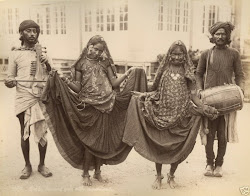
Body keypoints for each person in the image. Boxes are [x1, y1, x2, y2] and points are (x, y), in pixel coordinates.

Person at [41, 35, 148, 186]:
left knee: (102, 141)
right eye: (96, 49)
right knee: (89, 142)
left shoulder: (106, 63)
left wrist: (127, 74)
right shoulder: (81, 64)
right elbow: (78, 88)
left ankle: (98, 172)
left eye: (101, 50)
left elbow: (114, 82)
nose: (98, 53)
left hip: (107, 106)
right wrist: (66, 81)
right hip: (89, 107)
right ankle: (85, 173)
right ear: (89, 46)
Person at [122, 40, 218, 189]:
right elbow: (154, 89)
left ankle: (172, 175)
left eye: (180, 54)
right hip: (162, 113)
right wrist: (142, 95)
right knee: (160, 146)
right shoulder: (163, 69)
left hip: (182, 115)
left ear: (184, 56)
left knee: (177, 147)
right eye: (174, 54)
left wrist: (203, 107)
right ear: (169, 54)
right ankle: (158, 176)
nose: (177, 57)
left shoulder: (188, 72)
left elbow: (193, 96)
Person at [4, 20, 53, 179]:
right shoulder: (15, 53)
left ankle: (42, 164)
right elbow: (10, 78)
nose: (33, 34)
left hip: (40, 96)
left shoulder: (44, 52)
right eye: (29, 31)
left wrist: (47, 64)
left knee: (42, 132)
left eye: (35, 31)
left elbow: (52, 76)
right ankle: (27, 165)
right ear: (21, 33)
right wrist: (10, 82)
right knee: (24, 133)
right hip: (23, 96)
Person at [196, 21, 245, 177]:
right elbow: (198, 73)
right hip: (209, 100)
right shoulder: (206, 54)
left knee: (223, 135)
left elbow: (239, 75)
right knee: (209, 133)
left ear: (227, 36)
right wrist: (199, 90)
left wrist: (240, 90)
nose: (220, 36)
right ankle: (209, 164)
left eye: (223, 34)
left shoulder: (234, 54)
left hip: (227, 99)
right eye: (217, 34)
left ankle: (219, 165)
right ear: (213, 36)